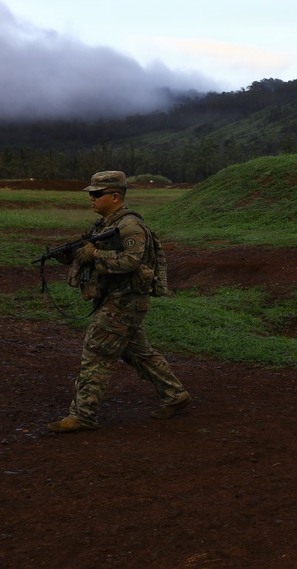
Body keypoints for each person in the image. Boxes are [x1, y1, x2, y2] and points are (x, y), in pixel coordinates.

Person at [47, 171, 191, 432]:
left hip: (125, 301)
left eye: (96, 194)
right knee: (138, 352)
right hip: (117, 300)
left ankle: (83, 415)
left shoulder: (130, 226)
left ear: (115, 196)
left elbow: (130, 261)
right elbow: (88, 252)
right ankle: (175, 394)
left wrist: (95, 254)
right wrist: (69, 255)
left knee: (96, 353)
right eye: (90, 193)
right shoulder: (104, 225)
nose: (91, 198)